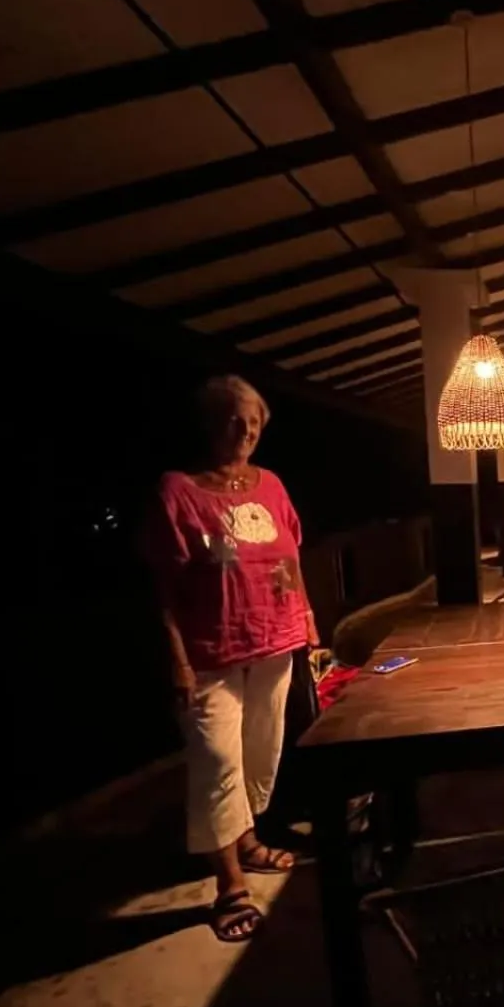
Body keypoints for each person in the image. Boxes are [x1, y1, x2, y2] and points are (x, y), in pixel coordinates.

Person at [145, 375, 319, 942]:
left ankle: (245, 840)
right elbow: (163, 587)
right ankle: (229, 884)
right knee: (217, 761)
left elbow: (291, 558)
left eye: (254, 421)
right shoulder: (179, 491)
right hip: (209, 653)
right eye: (233, 419)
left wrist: (307, 618)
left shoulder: (272, 485)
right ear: (208, 423)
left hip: (275, 641)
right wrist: (176, 658)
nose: (245, 430)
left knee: (259, 754)